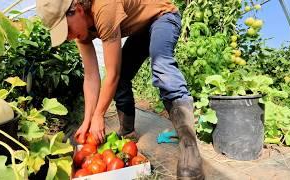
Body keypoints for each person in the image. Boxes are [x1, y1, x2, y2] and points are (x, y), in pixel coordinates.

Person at [36, 0, 204, 178]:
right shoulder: (80, 31)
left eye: (67, 30)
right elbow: (92, 76)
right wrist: (88, 120)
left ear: (77, 10)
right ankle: (127, 132)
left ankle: (189, 148)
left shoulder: (103, 7)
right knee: (123, 75)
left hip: (163, 16)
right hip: (141, 29)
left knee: (161, 64)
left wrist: (99, 115)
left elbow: (111, 73)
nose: (69, 37)